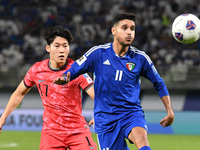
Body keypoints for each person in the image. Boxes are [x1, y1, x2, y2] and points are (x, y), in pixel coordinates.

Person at [53, 13, 175, 150]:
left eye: (132, 28)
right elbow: (75, 69)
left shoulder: (140, 58)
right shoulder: (98, 53)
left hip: (131, 113)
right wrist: (64, 77)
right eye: (125, 28)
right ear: (113, 31)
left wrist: (170, 111)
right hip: (105, 119)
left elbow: (159, 83)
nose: (129, 32)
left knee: (142, 140)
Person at [0, 26, 97, 150]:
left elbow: (96, 94)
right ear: (48, 48)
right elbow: (19, 93)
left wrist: (100, 113)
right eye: (57, 46)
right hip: (51, 133)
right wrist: (3, 117)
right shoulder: (37, 70)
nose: (61, 50)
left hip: (77, 131)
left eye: (65, 46)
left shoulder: (77, 70)